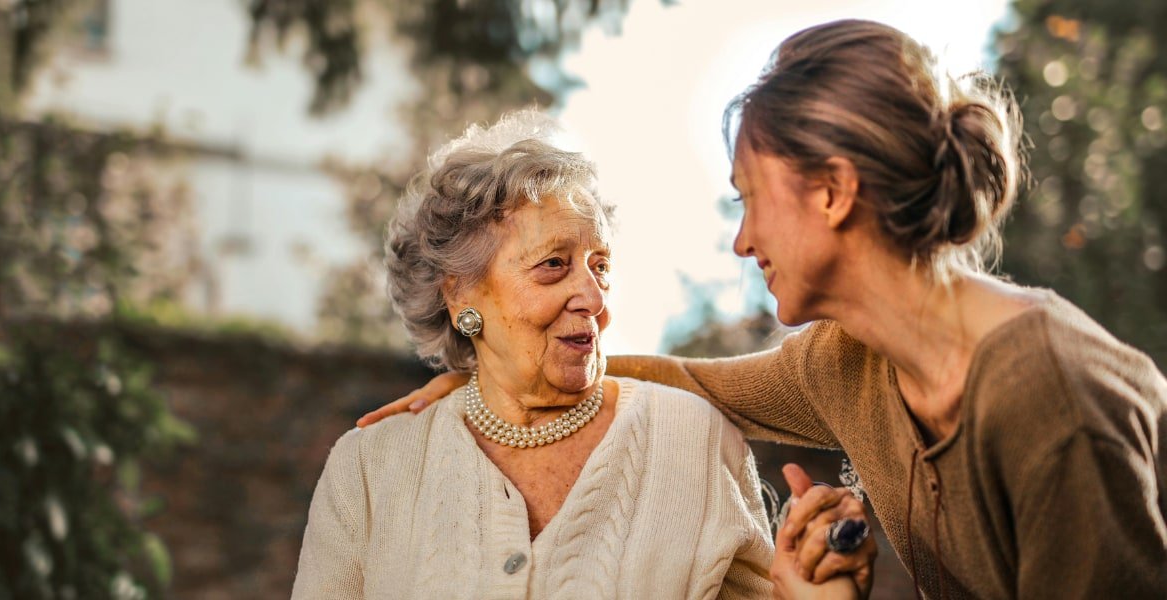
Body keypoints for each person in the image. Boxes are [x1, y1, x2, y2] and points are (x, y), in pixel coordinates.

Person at [359, 19, 1167, 599]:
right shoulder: (846, 361)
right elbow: (691, 382)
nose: (742, 241)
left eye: (750, 200)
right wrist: (498, 380)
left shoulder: (1049, 397)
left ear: (833, 191)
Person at [293, 111, 870, 598]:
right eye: (553, 265)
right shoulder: (369, 469)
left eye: (601, 267)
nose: (594, 300)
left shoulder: (693, 439)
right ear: (461, 293)